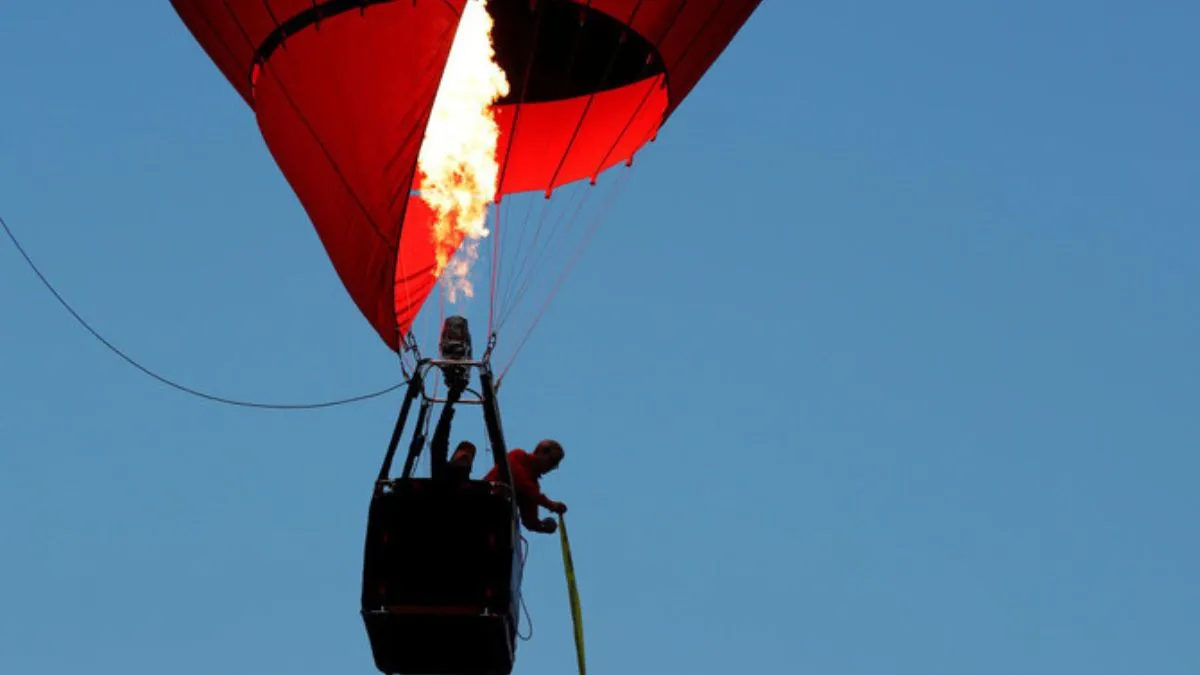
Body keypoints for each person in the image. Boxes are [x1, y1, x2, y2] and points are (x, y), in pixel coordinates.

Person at [485, 440, 567, 534]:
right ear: (541, 451)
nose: (551, 467)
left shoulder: (533, 487)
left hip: (493, 520)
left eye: (555, 465)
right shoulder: (519, 456)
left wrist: (544, 526)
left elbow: (530, 521)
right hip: (481, 501)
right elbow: (520, 481)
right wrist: (550, 504)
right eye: (552, 461)